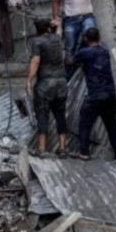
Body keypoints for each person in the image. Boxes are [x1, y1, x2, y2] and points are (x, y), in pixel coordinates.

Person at [67, 27, 116, 160]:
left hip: (95, 96)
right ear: (99, 38)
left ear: (86, 39)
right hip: (110, 95)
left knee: (85, 124)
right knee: (112, 126)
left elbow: (70, 62)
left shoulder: (84, 52)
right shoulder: (105, 51)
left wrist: (72, 51)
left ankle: (84, 153)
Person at [53, 0, 113, 78]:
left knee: (92, 38)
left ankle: (91, 67)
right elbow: (56, 2)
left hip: (87, 16)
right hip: (70, 20)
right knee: (69, 49)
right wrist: (56, 17)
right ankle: (68, 80)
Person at [25, 18, 68, 157]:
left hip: (45, 83)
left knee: (42, 115)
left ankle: (42, 149)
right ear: (49, 28)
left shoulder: (37, 42)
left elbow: (36, 60)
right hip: (61, 83)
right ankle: (62, 149)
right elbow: (60, 32)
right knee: (60, 116)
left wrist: (29, 80)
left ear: (37, 30)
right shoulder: (57, 39)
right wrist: (58, 24)